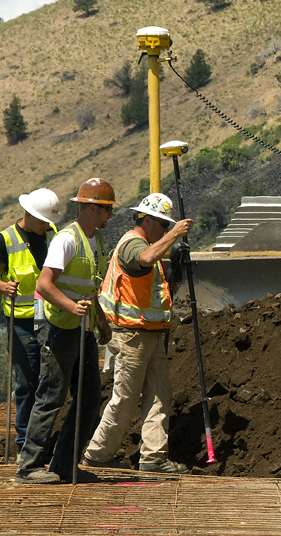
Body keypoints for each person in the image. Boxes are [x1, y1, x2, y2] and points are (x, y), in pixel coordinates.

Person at [82, 193, 192, 473]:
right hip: (130, 336)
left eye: (169, 226)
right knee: (125, 399)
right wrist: (175, 235)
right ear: (148, 220)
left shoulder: (149, 245)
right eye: (164, 225)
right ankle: (97, 453)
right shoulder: (133, 243)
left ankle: (154, 457)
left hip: (151, 334)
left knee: (159, 396)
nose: (166, 230)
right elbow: (144, 259)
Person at [16, 178, 115, 484]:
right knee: (51, 396)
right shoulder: (66, 240)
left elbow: (91, 287)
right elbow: (44, 285)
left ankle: (64, 464)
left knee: (88, 398)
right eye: (106, 210)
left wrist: (99, 319)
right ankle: (29, 466)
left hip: (81, 327)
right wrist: (73, 308)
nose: (110, 216)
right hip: (59, 327)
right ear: (91, 207)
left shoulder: (97, 242)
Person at [0, 188, 62, 452]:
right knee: (27, 381)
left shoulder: (52, 235)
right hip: (22, 322)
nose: (46, 225)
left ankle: (42, 437)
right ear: (28, 214)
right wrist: (3, 288)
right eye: (42, 220)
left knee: (48, 379)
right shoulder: (5, 239)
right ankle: (24, 440)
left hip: (50, 318)